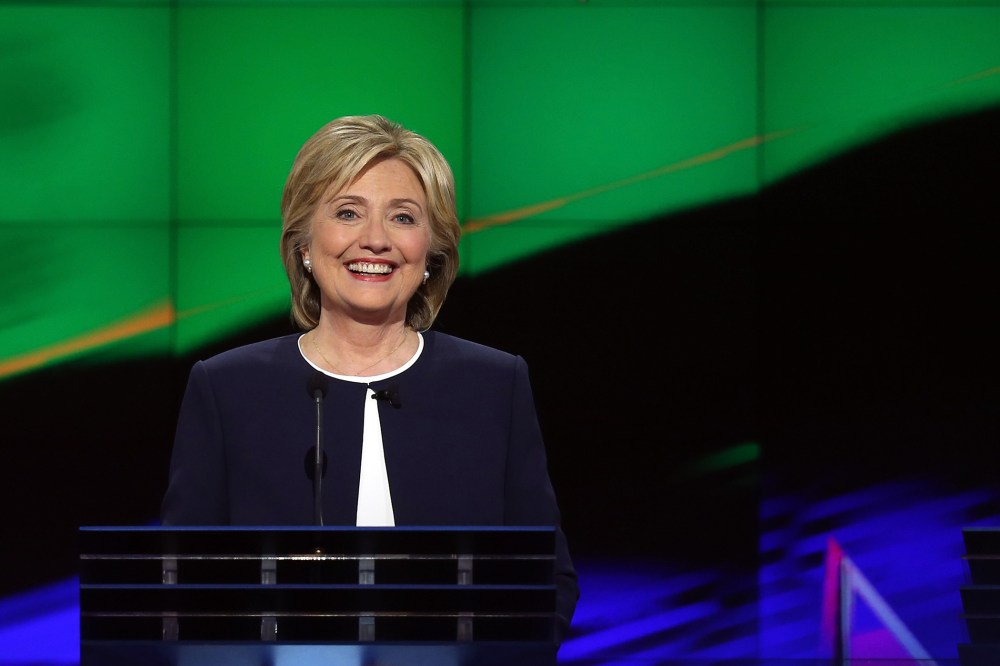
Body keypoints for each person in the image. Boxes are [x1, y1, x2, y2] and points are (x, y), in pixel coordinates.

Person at [160, 114, 579, 641]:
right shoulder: (227, 389)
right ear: (304, 244)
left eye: (402, 217)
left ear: (431, 252)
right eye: (348, 213)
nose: (375, 240)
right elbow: (182, 585)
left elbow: (546, 580)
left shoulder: (494, 384)